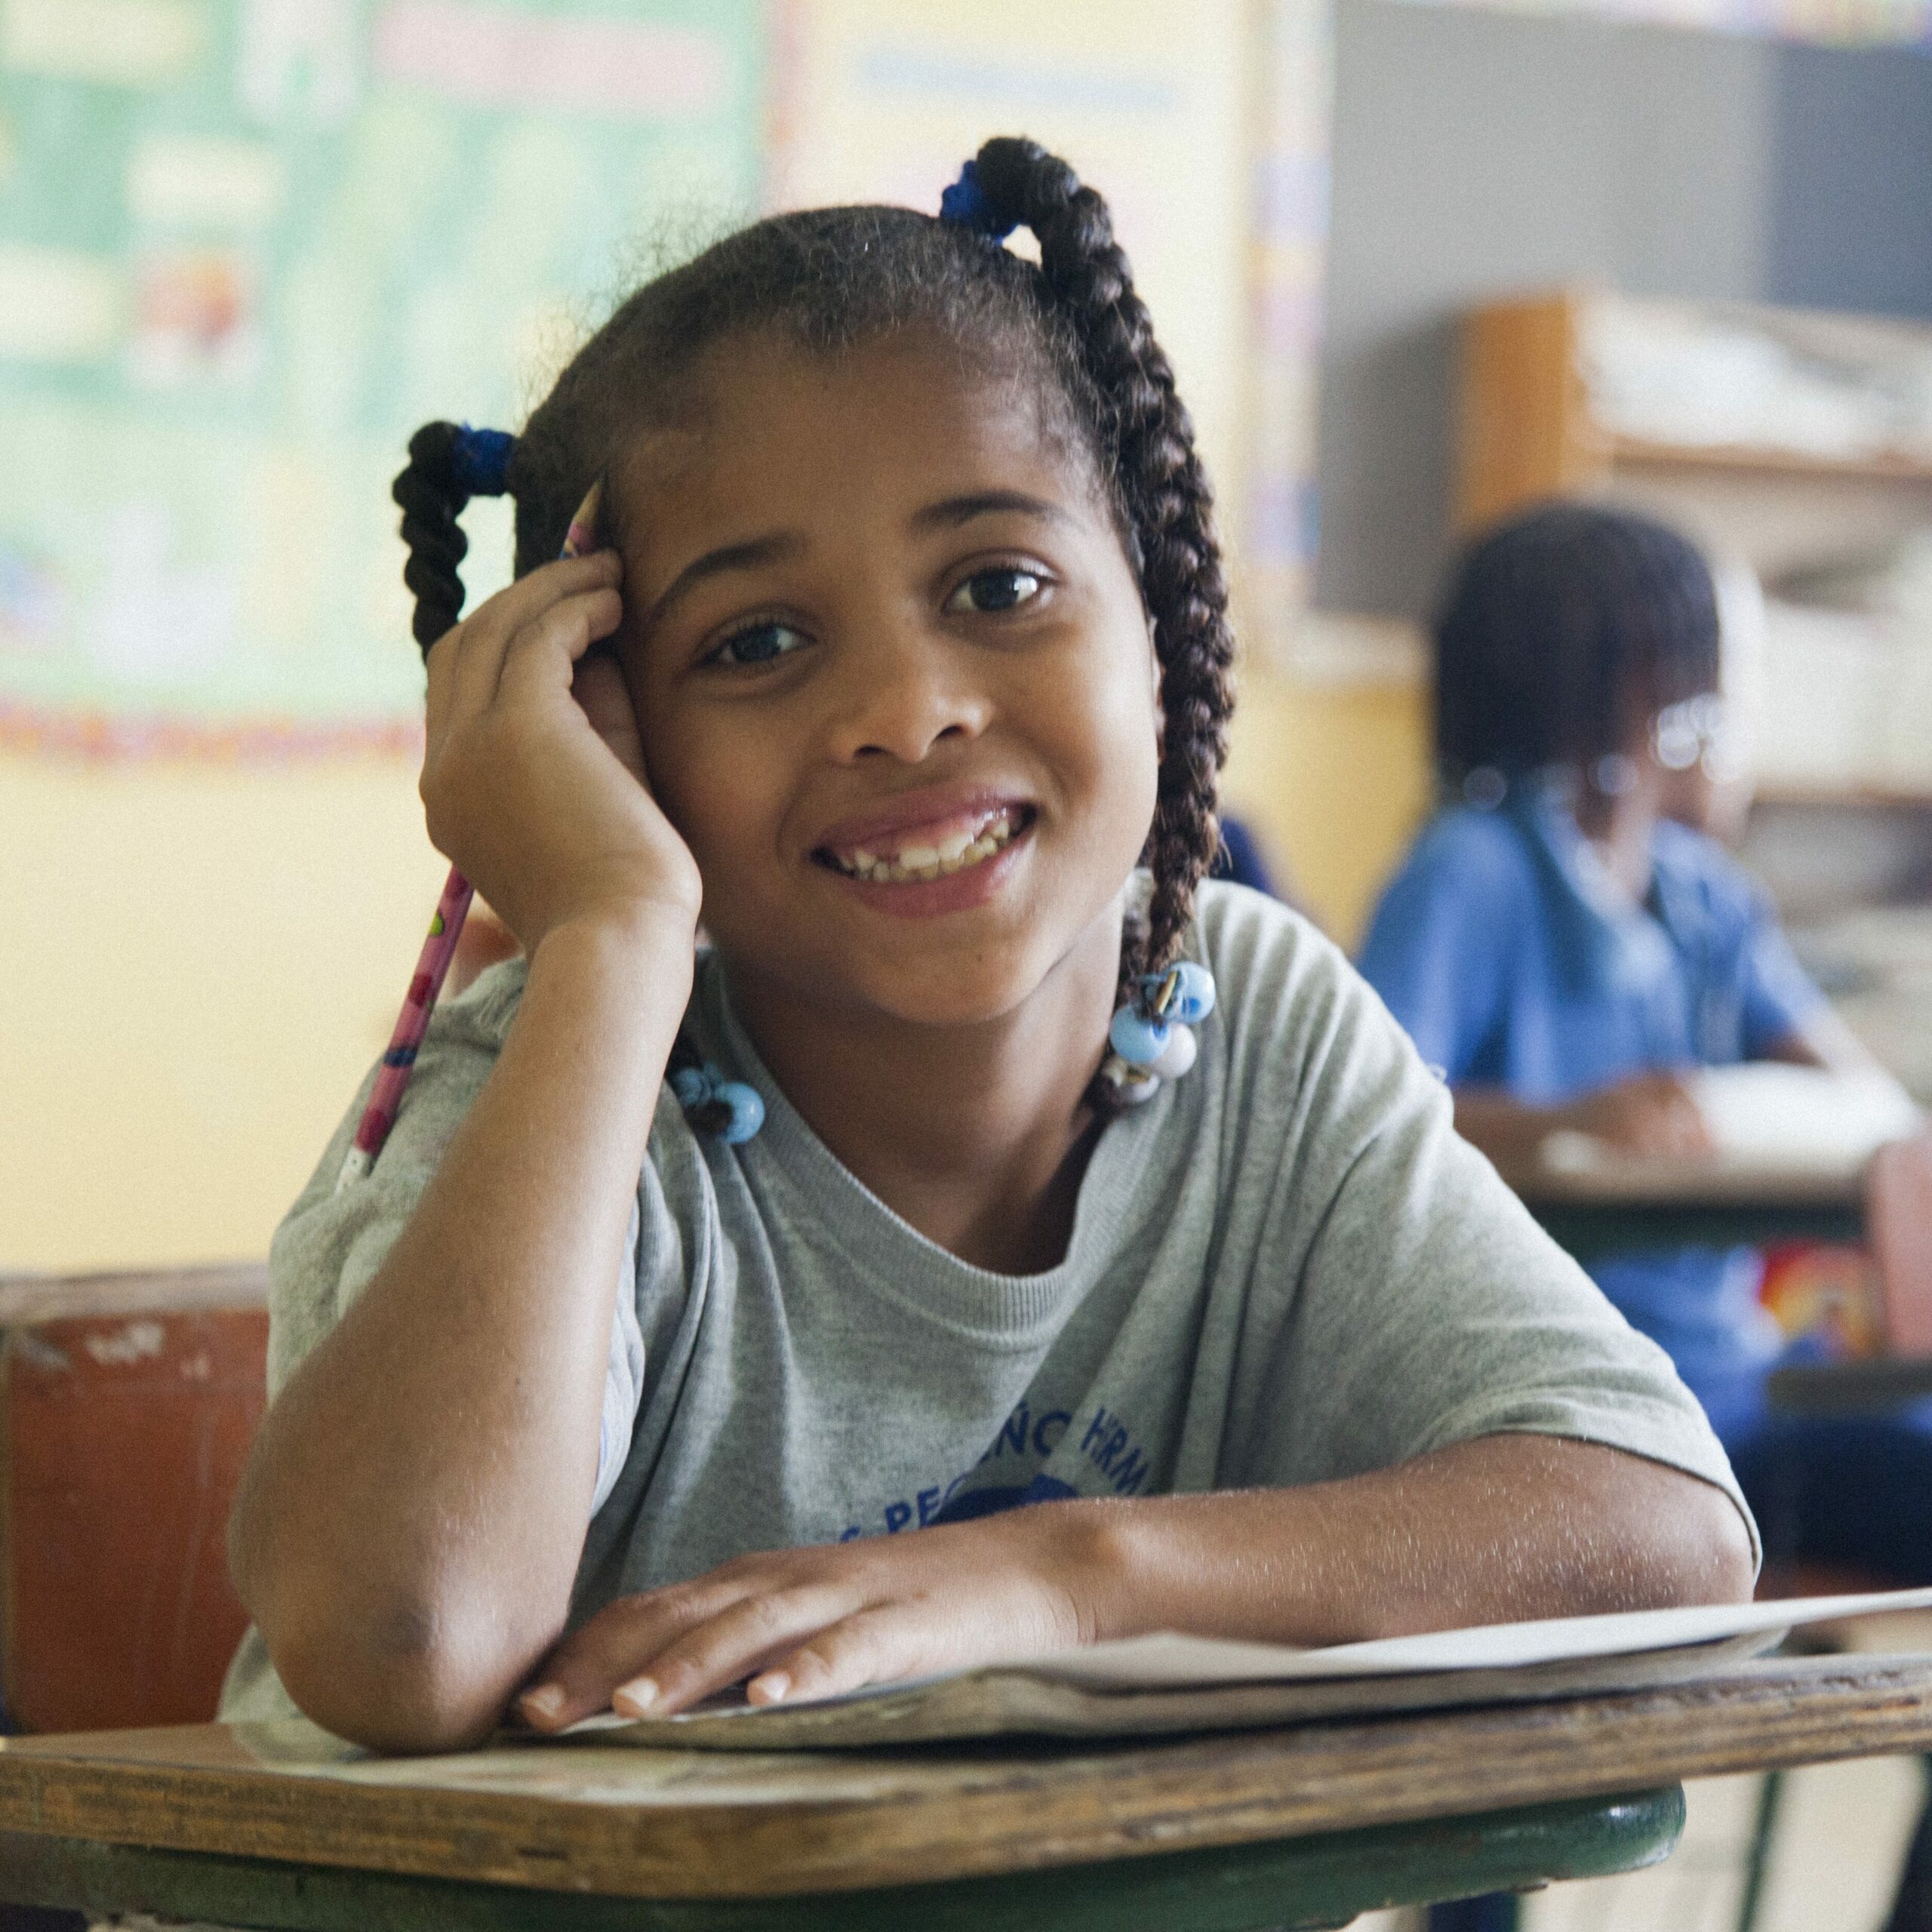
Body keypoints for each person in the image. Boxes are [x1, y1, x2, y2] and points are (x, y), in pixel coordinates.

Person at [223, 144, 1752, 1757]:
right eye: (754, 642)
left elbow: (1659, 1525)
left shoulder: (1256, 1027)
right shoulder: (565, 1088)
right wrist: (605, 935)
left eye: (999, 583)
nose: (906, 706)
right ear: (603, 726)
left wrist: (1066, 1576)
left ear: (1158, 618)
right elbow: (402, 1636)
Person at [1359, 500, 1932, 1591]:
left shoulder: (1700, 895)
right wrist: (1566, 1122)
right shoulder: (1470, 872)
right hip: (1578, 1419)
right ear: (1625, 695)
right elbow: (1362, 1111)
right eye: (1702, 680)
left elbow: (1857, 1094)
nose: (1724, 715)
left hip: (1740, 1387)